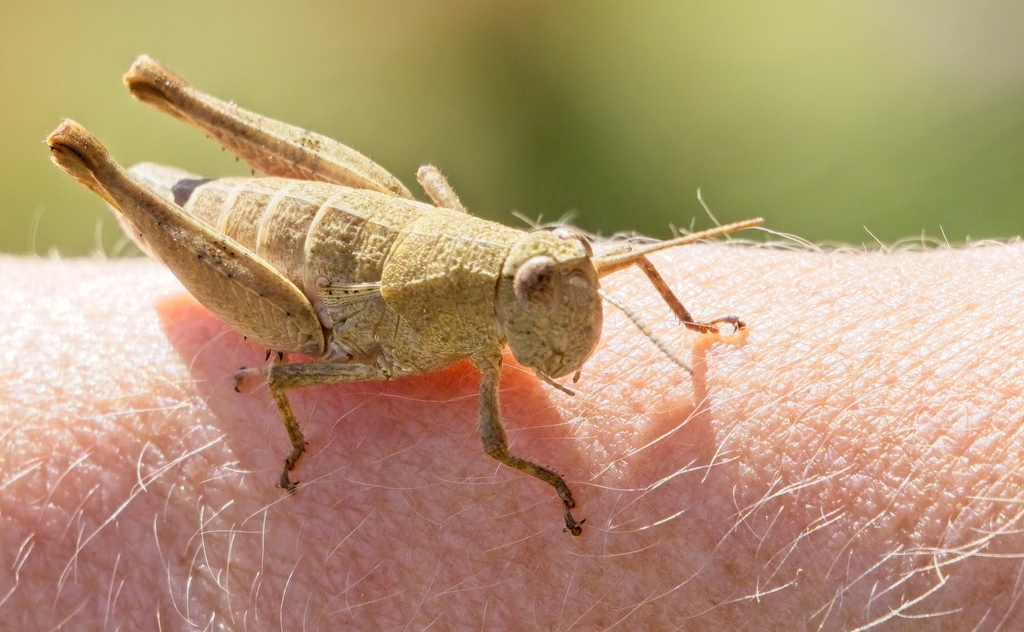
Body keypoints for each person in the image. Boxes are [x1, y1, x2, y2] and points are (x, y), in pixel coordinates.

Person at [2, 239, 1022, 630]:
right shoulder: (453, 343)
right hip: (309, 284)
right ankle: (124, 175)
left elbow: (607, 265)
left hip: (398, 237)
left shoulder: (510, 290)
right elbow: (491, 448)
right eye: (543, 288)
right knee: (289, 347)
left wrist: (693, 334)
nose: (574, 301)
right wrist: (290, 434)